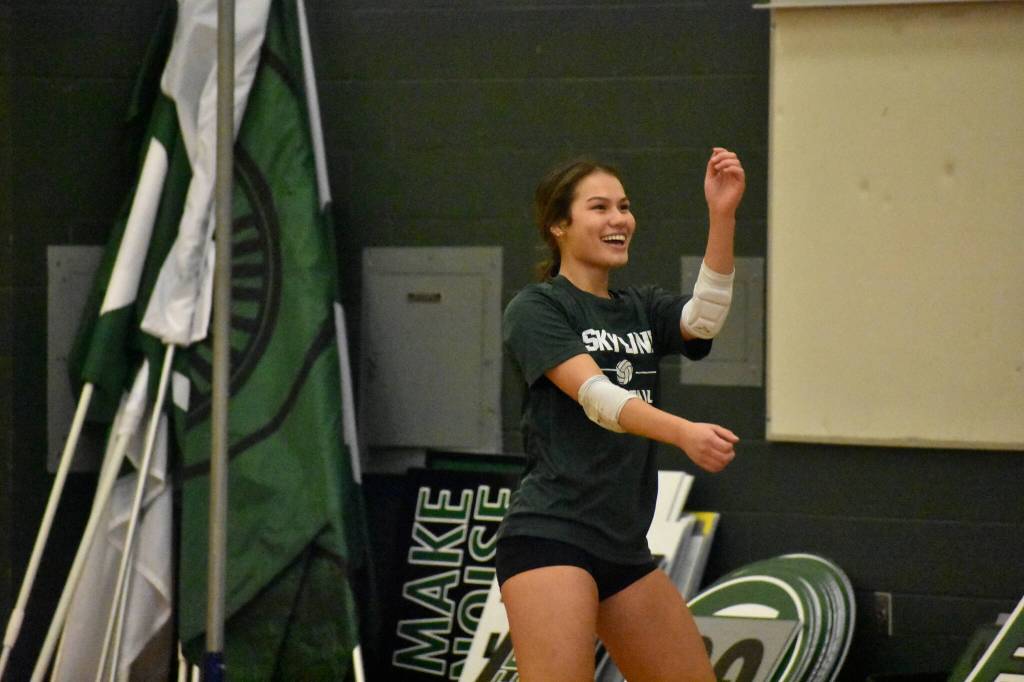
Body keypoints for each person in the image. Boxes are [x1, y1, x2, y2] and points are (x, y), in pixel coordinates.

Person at [495, 148, 746, 681]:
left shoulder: (640, 307)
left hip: (623, 545)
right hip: (551, 535)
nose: (619, 220)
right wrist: (684, 433)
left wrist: (721, 215)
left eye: (625, 207)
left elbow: (704, 318)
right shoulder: (538, 308)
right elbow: (600, 399)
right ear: (559, 225)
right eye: (600, 207)